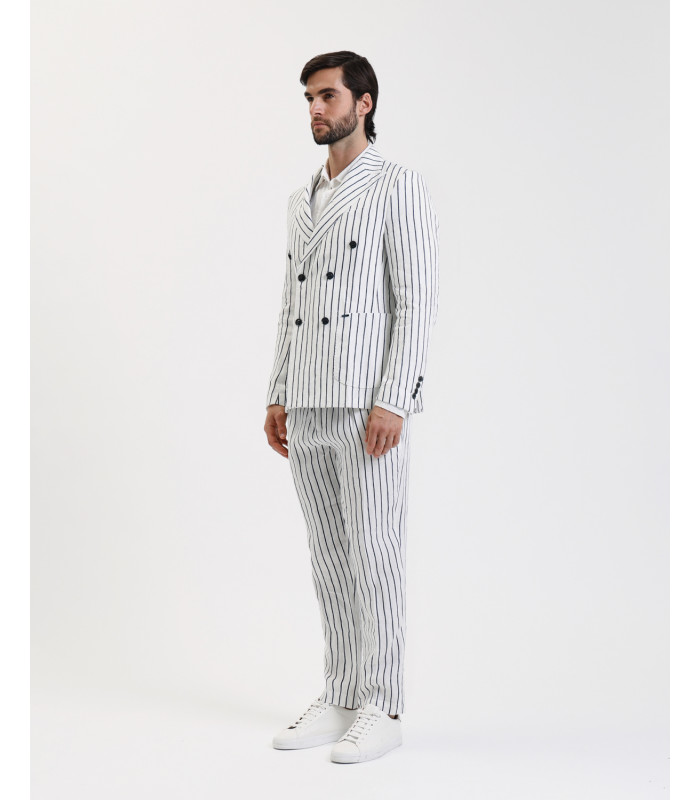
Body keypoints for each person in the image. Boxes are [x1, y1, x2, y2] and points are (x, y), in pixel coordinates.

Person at [263, 50, 439, 764]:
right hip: (306, 402)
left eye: (328, 96)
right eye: (309, 97)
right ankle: (341, 695)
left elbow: (416, 301)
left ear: (363, 103)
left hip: (367, 405)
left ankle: (383, 704)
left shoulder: (397, 185)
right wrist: (277, 390)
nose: (315, 108)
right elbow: (291, 301)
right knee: (330, 559)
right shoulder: (299, 199)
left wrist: (395, 399)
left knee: (375, 556)